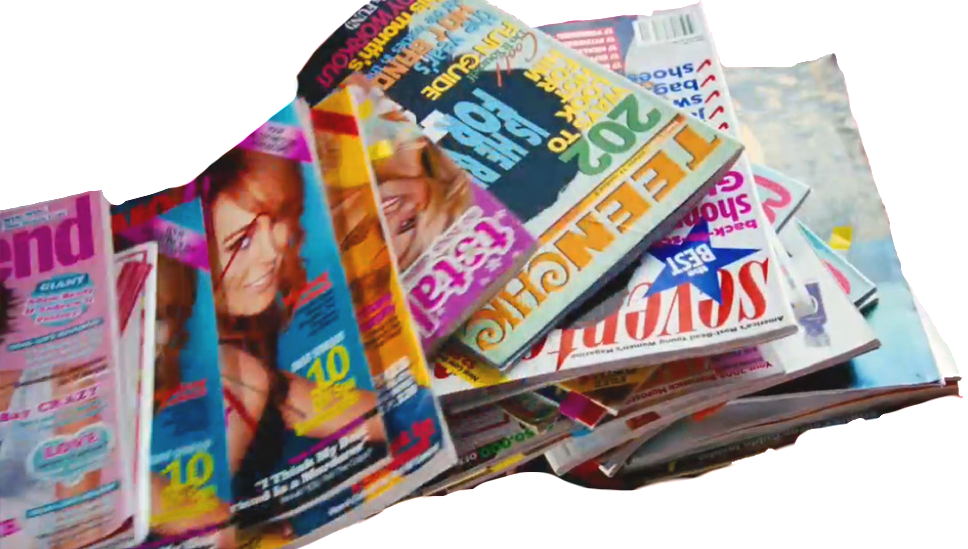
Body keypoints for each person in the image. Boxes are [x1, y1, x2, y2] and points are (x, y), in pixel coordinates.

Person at [200, 146, 387, 534]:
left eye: (275, 221)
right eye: (240, 242)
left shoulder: (254, 368)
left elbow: (371, 414)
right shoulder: (233, 373)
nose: (272, 251)